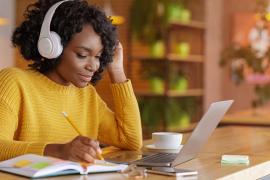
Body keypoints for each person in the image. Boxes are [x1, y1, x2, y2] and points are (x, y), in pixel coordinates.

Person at [0, 0, 142, 162]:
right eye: (82, 55)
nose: (94, 66)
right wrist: (57, 150)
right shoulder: (13, 82)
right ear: (52, 47)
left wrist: (117, 70)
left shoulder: (87, 95)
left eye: (98, 56)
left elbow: (131, 140)